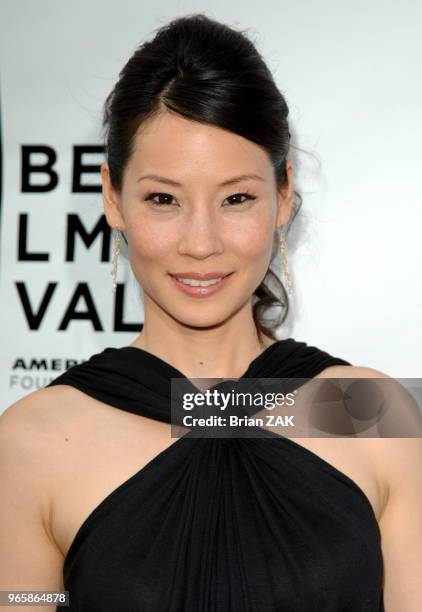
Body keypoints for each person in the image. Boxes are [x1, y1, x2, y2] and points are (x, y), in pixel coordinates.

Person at [1, 12, 421, 612]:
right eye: (164, 199)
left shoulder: (373, 416)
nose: (201, 242)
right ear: (113, 199)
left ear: (282, 196)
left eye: (237, 198)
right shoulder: (30, 443)